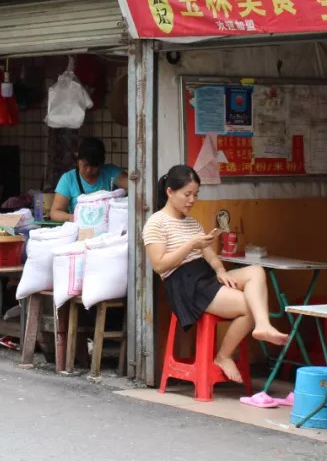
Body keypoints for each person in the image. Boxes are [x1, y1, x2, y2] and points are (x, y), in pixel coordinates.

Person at [143, 164, 289, 383]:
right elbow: (159, 265)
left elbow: (210, 255)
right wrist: (191, 244)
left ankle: (262, 325)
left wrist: (220, 270)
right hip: (185, 284)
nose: (192, 200)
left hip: (204, 276)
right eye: (187, 194)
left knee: (256, 271)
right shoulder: (155, 222)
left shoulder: (191, 222)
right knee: (249, 303)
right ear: (170, 192)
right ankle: (223, 356)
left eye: (196, 194)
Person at [49, 137, 129, 222]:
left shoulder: (110, 173)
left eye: (94, 166)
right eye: (85, 165)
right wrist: (71, 217)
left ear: (102, 162)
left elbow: (132, 184)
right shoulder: (68, 179)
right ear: (78, 160)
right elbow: (55, 212)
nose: (89, 170)